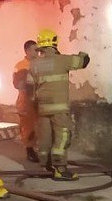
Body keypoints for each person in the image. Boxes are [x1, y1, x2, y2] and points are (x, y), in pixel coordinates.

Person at [28, 28, 89, 181]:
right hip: (59, 109)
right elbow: (84, 62)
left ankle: (44, 167)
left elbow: (30, 87)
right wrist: (83, 54)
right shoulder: (62, 60)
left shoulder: (34, 64)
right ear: (54, 43)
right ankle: (60, 168)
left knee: (45, 138)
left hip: (42, 108)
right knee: (61, 137)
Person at [13, 39, 40, 162]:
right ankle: (29, 150)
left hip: (37, 99)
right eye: (35, 49)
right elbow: (17, 84)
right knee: (28, 127)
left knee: (38, 126)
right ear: (27, 51)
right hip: (26, 101)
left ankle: (36, 148)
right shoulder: (21, 66)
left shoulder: (39, 63)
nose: (37, 52)